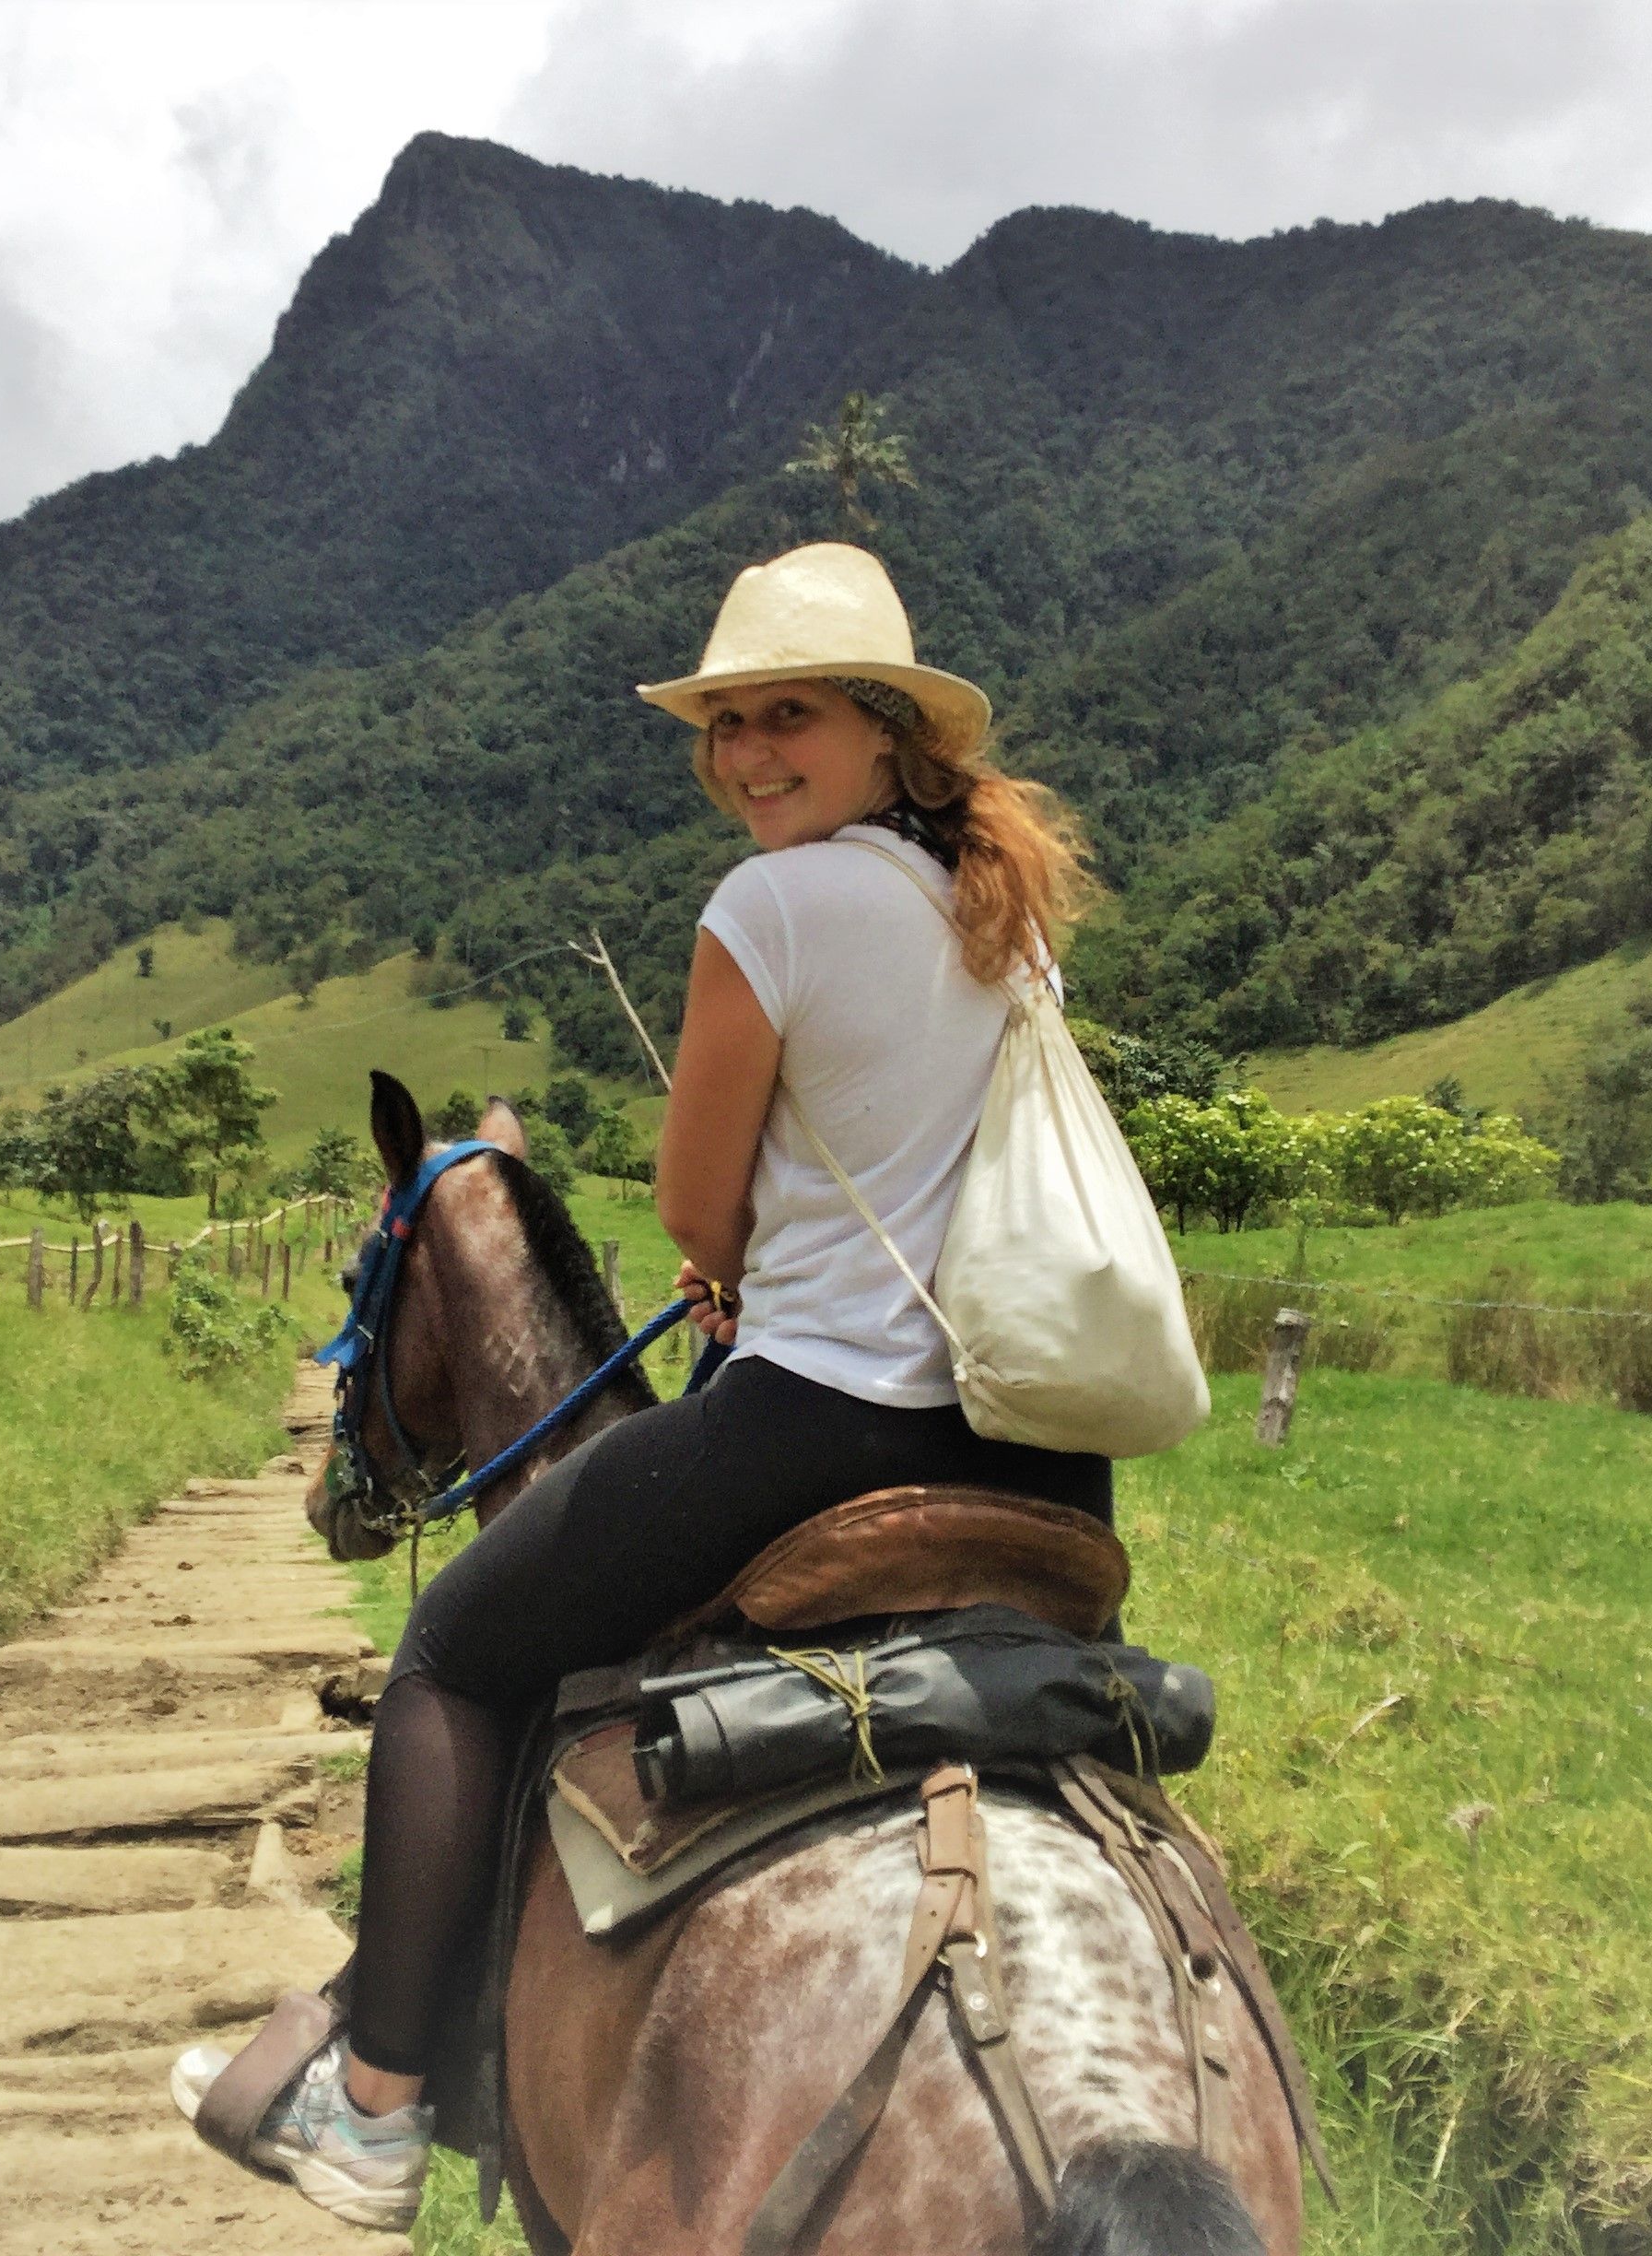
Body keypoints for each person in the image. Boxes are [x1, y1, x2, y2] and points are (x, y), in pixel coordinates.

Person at [177, 542, 1108, 2230]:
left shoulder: (765, 906)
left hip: (819, 1426)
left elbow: (695, 1210)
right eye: (725, 721)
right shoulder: (1001, 915)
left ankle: (376, 2100)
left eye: (789, 715)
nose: (749, 751)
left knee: (454, 1655)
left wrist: (737, 1255)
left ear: (887, 727)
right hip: (1043, 1459)